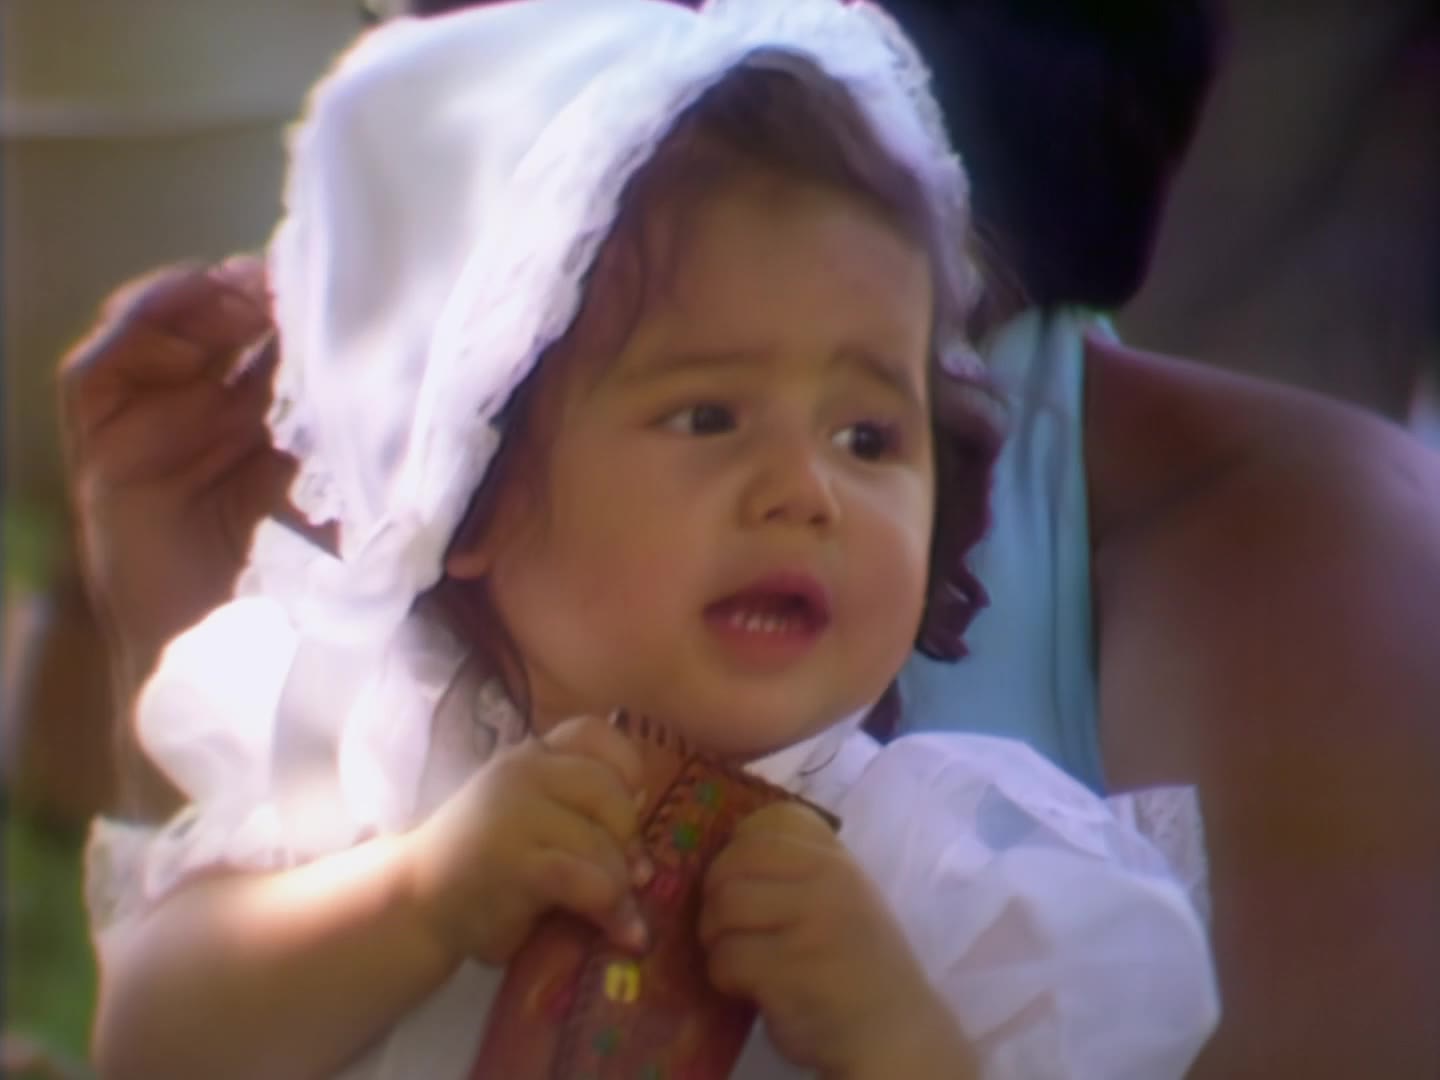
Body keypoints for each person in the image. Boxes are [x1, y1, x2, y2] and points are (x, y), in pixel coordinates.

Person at [58, 0, 1440, 1076]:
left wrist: (897, 1034)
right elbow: (153, 1043)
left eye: (868, 439)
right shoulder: (372, 757)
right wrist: (411, 901)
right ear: (474, 492)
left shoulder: (949, 865)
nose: (804, 492)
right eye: (708, 416)